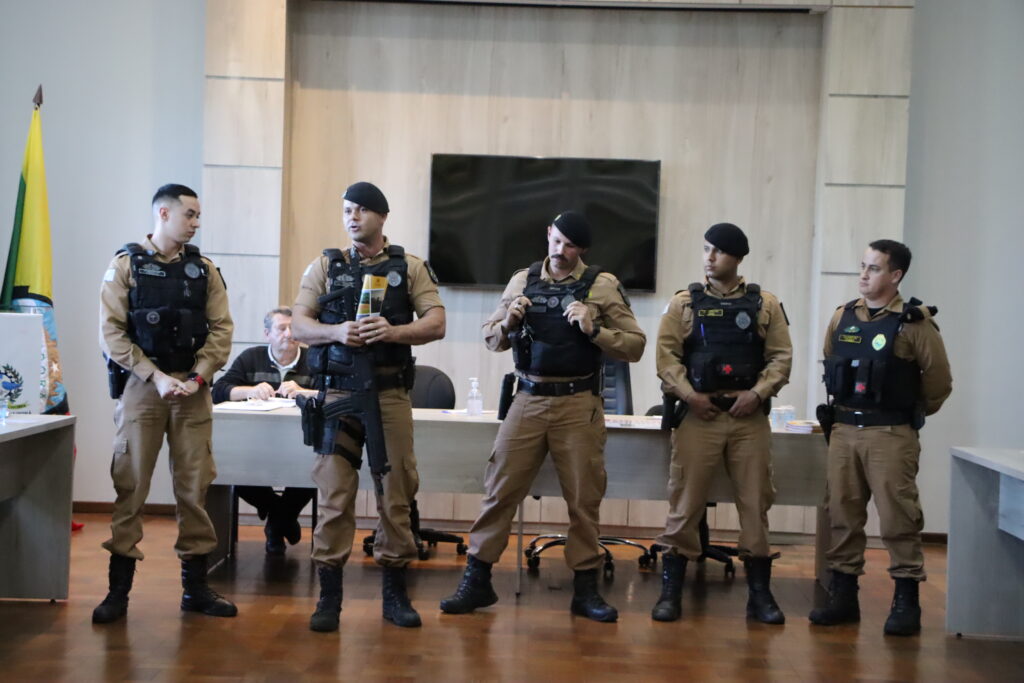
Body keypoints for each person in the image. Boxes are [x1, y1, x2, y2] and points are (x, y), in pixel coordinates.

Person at [440, 211, 646, 623]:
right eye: (556, 240)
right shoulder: (522, 280)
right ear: (548, 234)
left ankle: (585, 589)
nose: (560, 251)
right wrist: (508, 321)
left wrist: (594, 329)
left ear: (581, 249)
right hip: (528, 399)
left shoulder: (602, 286)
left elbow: (635, 346)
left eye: (570, 245)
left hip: (578, 403)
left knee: (583, 499)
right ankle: (477, 581)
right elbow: (491, 338)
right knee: (499, 490)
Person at [291, 181, 445, 632]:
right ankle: (329, 598)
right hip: (338, 396)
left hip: (389, 395)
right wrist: (336, 332)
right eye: (346, 210)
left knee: (396, 494)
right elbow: (298, 324)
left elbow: (436, 322)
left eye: (361, 210)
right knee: (334, 496)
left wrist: (392, 332)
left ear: (382, 216)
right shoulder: (325, 265)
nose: (352, 217)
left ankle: (395, 595)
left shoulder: (409, 267)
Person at [94, 183, 236, 624]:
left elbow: (222, 330)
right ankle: (118, 593)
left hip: (192, 391)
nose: (196, 223)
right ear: (163, 213)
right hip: (143, 389)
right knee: (131, 485)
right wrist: (154, 377)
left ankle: (196, 590)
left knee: (194, 488)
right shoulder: (126, 265)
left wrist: (197, 377)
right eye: (189, 214)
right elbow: (111, 333)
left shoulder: (204, 270)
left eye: (197, 216)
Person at [651, 223, 792, 624]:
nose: (709, 258)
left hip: (748, 418)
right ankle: (671, 591)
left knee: (755, 503)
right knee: (684, 503)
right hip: (700, 415)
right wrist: (689, 395)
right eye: (706, 249)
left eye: (719, 251)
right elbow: (666, 358)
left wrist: (758, 394)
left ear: (738, 258)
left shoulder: (764, 304)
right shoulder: (684, 304)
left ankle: (760, 595)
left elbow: (781, 358)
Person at [809, 239, 952, 636]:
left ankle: (906, 600)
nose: (864, 275)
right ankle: (843, 596)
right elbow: (831, 359)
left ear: (896, 275)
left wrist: (904, 414)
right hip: (843, 431)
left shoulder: (914, 324)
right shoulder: (842, 317)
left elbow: (939, 383)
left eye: (874, 268)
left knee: (897, 517)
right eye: (863, 266)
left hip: (890, 433)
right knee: (841, 514)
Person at [211, 306, 317, 555]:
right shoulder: (251, 357)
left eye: (293, 328)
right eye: (282, 328)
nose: (289, 334)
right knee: (232, 469)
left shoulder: (313, 359)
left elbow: (331, 394)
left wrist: (305, 392)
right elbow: (219, 390)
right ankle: (281, 517)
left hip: (300, 445)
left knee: (312, 470)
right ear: (267, 334)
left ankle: (276, 524)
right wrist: (250, 390)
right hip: (254, 444)